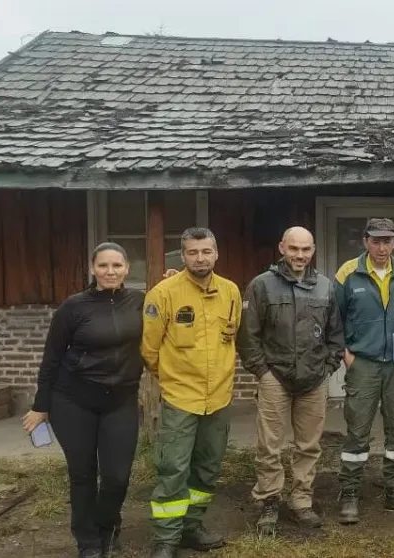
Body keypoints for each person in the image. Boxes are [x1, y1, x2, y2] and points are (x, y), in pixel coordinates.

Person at [22, 243, 144, 558]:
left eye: (117, 265)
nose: (110, 271)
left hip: (121, 400)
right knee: (83, 473)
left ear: (127, 268)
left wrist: (174, 278)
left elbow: (171, 305)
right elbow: (51, 359)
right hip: (73, 400)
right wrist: (41, 406)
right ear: (93, 268)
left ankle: (107, 525)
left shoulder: (141, 302)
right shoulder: (73, 307)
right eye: (103, 265)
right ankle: (88, 542)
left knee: (117, 476)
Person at [141, 228, 242, 558]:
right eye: (193, 252)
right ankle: (166, 539)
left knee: (207, 468)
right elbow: (150, 350)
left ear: (217, 253)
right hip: (181, 398)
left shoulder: (230, 292)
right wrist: (171, 379)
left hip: (219, 398)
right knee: (173, 468)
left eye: (206, 251)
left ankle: (192, 526)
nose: (200, 258)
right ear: (182, 256)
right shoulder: (164, 293)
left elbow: (232, 336)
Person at [237, 227, 344, 535]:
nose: (300, 255)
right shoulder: (261, 286)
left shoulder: (325, 287)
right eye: (294, 248)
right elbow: (248, 336)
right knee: (269, 445)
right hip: (275, 377)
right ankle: (269, 500)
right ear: (281, 247)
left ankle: (301, 501)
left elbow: (336, 334)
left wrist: (328, 366)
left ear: (313, 250)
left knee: (308, 446)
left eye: (306, 249)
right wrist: (262, 372)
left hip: (314, 379)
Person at [334, 217, 394, 524]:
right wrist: (347, 356)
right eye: (376, 240)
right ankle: (349, 492)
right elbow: (334, 321)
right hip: (363, 365)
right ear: (365, 241)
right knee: (357, 432)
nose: (381, 247)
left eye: (387, 240)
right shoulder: (348, 274)